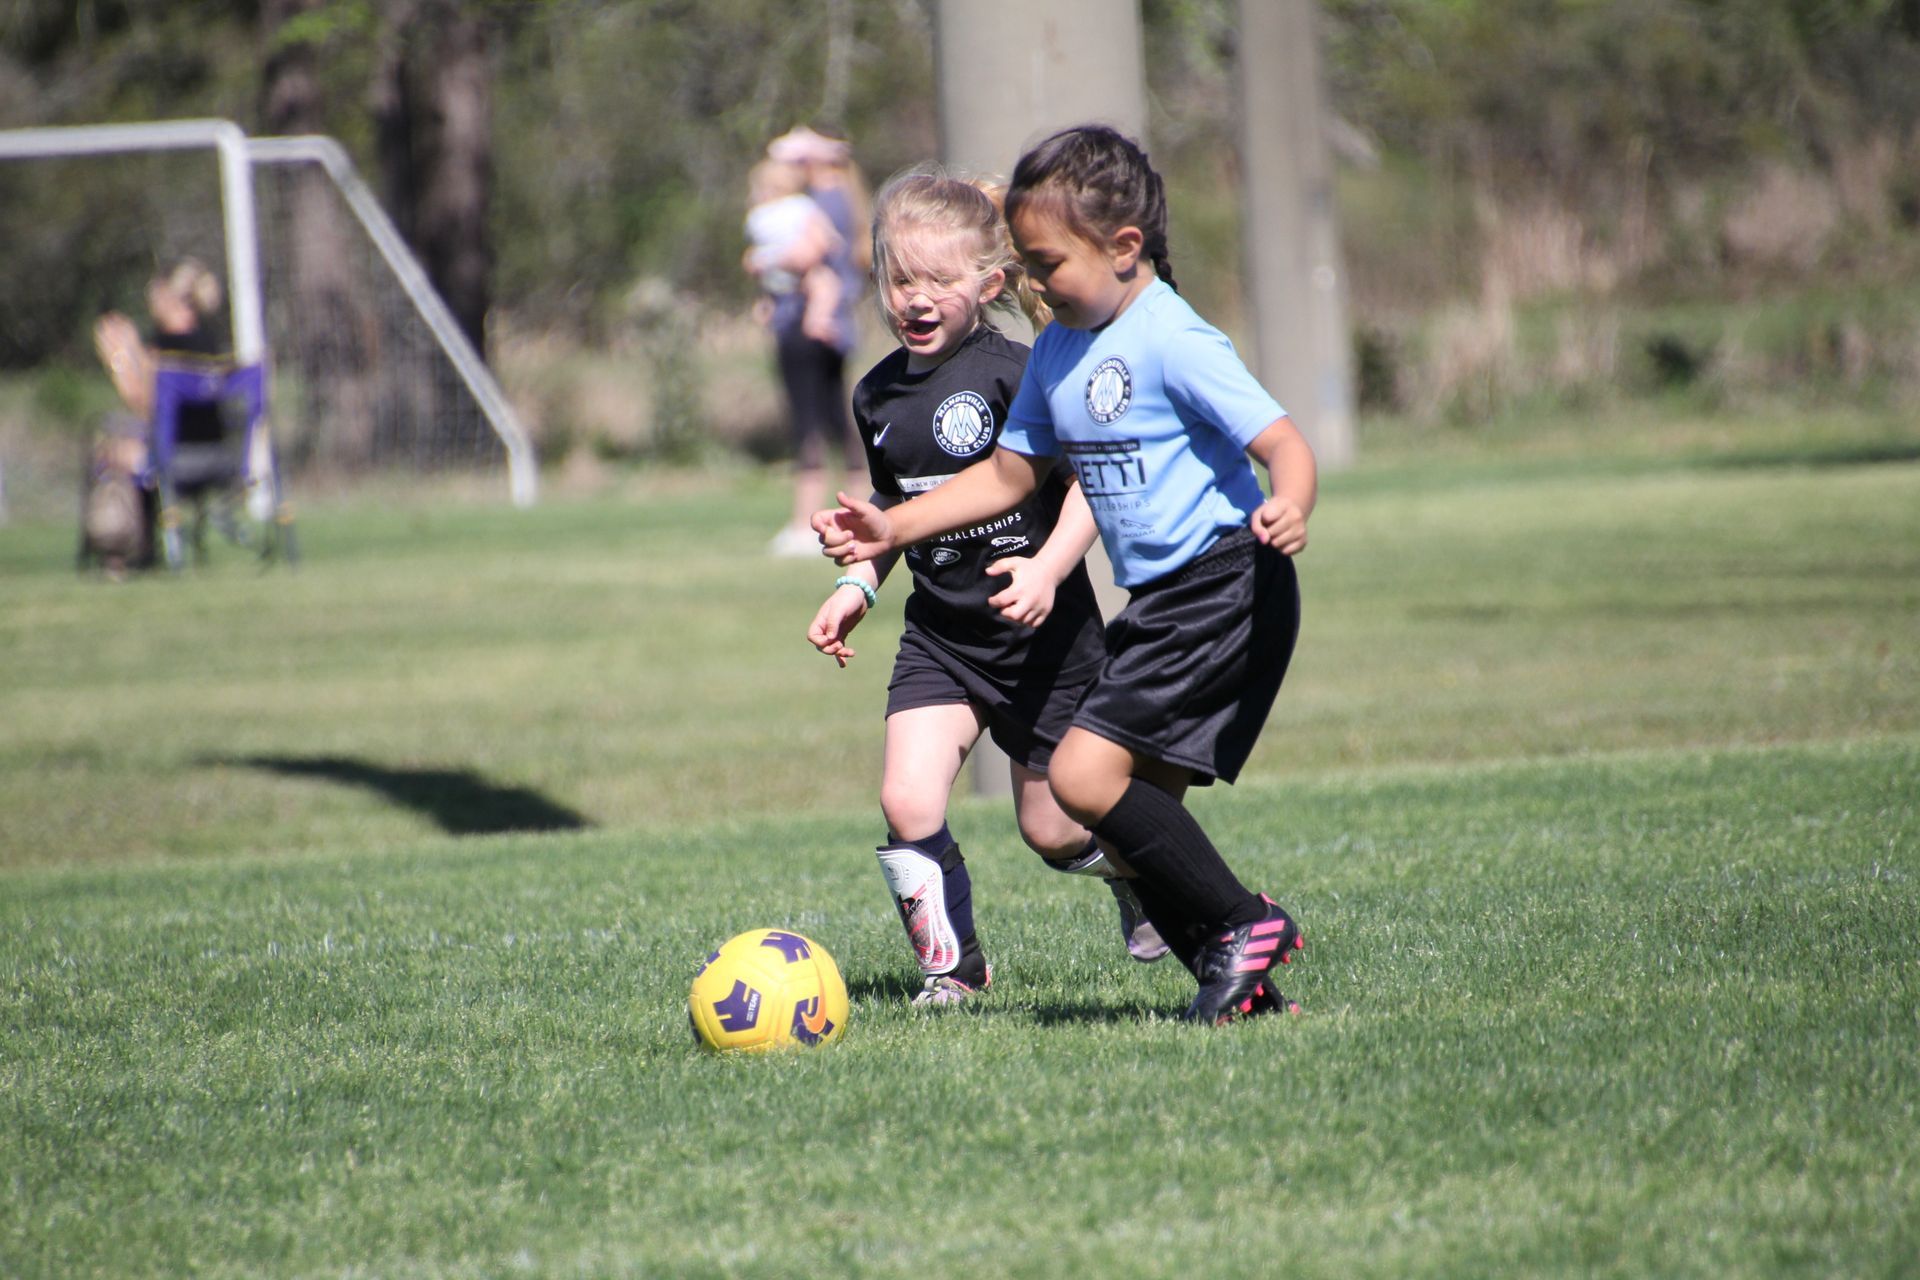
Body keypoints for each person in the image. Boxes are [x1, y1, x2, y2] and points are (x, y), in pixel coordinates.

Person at [816, 125, 1318, 1024]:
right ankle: (1238, 981)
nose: (1039, 286)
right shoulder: (1052, 353)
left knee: (1080, 796)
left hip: (1219, 584)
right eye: (1033, 267)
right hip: (1112, 610)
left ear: (1124, 249)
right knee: (1123, 816)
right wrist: (880, 538)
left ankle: (1244, 922)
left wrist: (1291, 499)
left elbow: (1280, 441)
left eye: (1047, 265)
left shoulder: (1167, 338)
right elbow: (1004, 477)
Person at [806, 168, 1166, 1006]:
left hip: (1045, 646)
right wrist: (857, 586)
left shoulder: (1023, 371)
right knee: (905, 795)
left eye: (938, 280)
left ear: (989, 283)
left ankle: (1144, 877)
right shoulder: (876, 395)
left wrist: (1046, 568)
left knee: (1052, 828)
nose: (916, 299)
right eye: (900, 279)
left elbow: (1088, 482)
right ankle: (953, 972)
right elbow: (895, 513)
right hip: (943, 639)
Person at [759, 126, 869, 557]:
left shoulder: (818, 204)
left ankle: (805, 523)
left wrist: (762, 261)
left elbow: (805, 255)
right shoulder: (844, 199)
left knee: (808, 422)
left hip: (808, 327)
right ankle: (854, 511)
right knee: (837, 422)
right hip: (833, 328)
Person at [742, 158, 843, 353]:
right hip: (801, 273)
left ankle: (766, 306)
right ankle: (818, 320)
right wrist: (832, 240)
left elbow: (755, 247)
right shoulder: (801, 205)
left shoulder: (756, 216)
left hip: (768, 269)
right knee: (827, 284)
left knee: (771, 292)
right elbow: (821, 235)